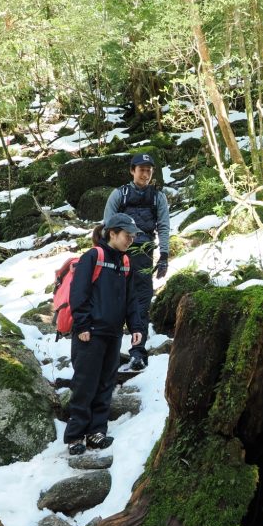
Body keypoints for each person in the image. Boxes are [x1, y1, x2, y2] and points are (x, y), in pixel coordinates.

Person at [64, 213, 142, 456]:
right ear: (112, 233)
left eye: (132, 236)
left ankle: (97, 432)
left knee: (106, 384)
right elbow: (78, 293)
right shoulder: (93, 257)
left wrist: (136, 327)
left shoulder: (125, 262)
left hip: (113, 333)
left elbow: (131, 299)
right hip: (90, 333)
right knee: (85, 383)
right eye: (127, 235)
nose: (130, 239)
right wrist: (83, 326)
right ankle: (75, 436)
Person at [103, 152, 170, 371]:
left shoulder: (157, 197)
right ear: (132, 171)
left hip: (144, 255)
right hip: (118, 255)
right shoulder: (119, 195)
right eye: (141, 170)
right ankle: (106, 352)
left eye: (149, 170)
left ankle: (138, 352)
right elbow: (107, 226)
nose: (145, 174)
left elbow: (163, 226)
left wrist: (164, 256)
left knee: (141, 302)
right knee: (112, 302)